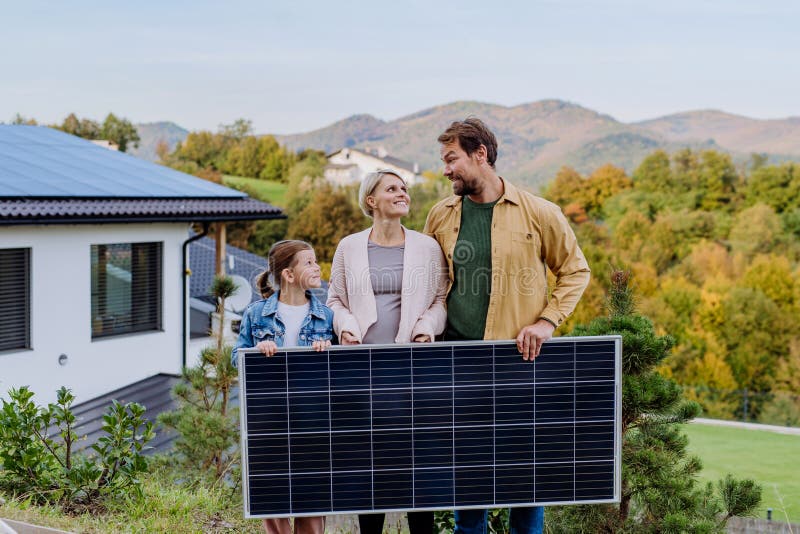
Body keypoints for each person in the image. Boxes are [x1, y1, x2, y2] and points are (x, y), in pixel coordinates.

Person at [423, 118, 591, 534]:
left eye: (451, 159)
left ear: (481, 155)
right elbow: (427, 283)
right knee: (471, 478)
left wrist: (548, 322)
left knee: (526, 478)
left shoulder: (540, 212)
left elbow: (575, 271)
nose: (446, 170)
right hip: (458, 364)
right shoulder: (439, 216)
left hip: (521, 363)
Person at [327, 169, 448, 534]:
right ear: (371, 200)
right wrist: (345, 326)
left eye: (404, 188)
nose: (402, 193)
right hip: (364, 372)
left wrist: (427, 328)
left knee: (417, 464)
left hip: (412, 371)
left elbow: (441, 301)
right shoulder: (349, 246)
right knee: (372, 464)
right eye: (392, 188)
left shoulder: (427, 246)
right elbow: (334, 299)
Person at [232, 239, 334, 534]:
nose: (317, 267)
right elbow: (233, 359)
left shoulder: (326, 316)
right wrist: (255, 352)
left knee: (311, 502)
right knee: (274, 500)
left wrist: (327, 349)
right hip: (271, 422)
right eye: (310, 262)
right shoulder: (255, 315)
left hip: (311, 422)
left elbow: (341, 372)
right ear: (289, 275)